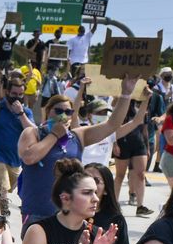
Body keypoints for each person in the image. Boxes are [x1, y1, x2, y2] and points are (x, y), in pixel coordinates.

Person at [16, 81, 138, 226]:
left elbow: (112, 125)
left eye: (68, 112)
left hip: (70, 214)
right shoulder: (33, 133)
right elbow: (29, 158)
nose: (63, 115)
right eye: (58, 111)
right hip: (37, 212)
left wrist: (126, 93)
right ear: (48, 111)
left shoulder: (78, 136)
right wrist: (54, 135)